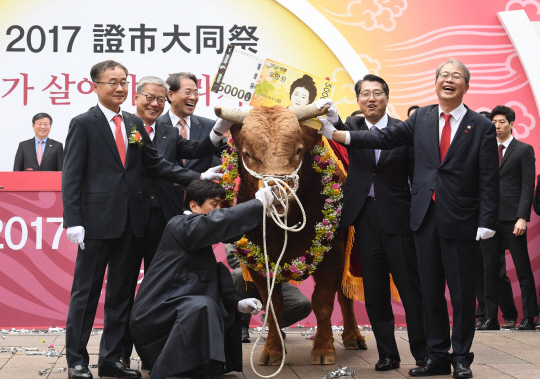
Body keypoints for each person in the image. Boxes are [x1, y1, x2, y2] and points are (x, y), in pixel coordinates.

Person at [317, 59, 499, 379]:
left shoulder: (454, 126)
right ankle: (412, 355)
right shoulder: (400, 122)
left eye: (456, 76)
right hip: (394, 219)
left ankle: (444, 356)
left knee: (440, 294)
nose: (371, 99)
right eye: (444, 75)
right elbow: (367, 137)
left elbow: (472, 175)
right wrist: (335, 130)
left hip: (433, 219)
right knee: (402, 293)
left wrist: (482, 217)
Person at [62, 60, 232, 379]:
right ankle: (77, 361)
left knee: (122, 295)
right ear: (95, 86)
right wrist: (73, 220)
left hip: (132, 224)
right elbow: (72, 176)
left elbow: (156, 165)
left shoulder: (133, 124)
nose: (119, 87)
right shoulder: (83, 123)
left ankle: (112, 360)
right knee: (85, 293)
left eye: (124, 81)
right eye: (112, 82)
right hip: (96, 223)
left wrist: (197, 174)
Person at [320, 74, 427, 371]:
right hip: (364, 218)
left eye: (377, 93)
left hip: (399, 218)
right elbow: (336, 130)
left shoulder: (403, 130)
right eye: (364, 94)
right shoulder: (351, 127)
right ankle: (387, 354)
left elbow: (418, 173)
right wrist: (330, 114)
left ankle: (423, 353)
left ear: (387, 97)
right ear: (357, 100)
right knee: (376, 291)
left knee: (410, 289)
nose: (371, 99)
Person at [130, 180, 278, 379]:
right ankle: (179, 370)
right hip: (155, 323)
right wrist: (257, 203)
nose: (218, 210)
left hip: (175, 313)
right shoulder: (179, 225)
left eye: (220, 206)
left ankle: (202, 369)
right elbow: (217, 223)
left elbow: (209, 275)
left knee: (204, 302)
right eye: (214, 205)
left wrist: (237, 304)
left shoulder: (196, 234)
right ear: (193, 205)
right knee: (202, 305)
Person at [478, 105, 537, 331]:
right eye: (494, 122)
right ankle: (491, 318)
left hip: (513, 220)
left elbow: (527, 186)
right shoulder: (485, 150)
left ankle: (530, 317)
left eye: (502, 122)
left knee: (522, 270)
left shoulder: (524, 150)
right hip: (488, 219)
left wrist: (522, 217)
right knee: (489, 271)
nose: (497, 126)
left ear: (511, 123)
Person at [474, 109, 517, 330]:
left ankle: (509, 313)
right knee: (478, 271)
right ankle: (483, 314)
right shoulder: (474, 150)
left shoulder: (509, 150)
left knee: (496, 271)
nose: (494, 127)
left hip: (496, 219)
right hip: (473, 217)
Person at [157, 72, 225, 211]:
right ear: (170, 95)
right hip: (163, 204)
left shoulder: (211, 127)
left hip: (201, 208)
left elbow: (227, 152)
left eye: (196, 92)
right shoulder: (156, 126)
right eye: (188, 92)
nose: (193, 97)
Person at [225, 244, 312, 343]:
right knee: (238, 274)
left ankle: (274, 325)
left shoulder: (280, 229)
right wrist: (262, 268)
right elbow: (234, 259)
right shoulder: (239, 229)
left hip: (275, 281)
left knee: (303, 304)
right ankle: (241, 326)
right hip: (250, 277)